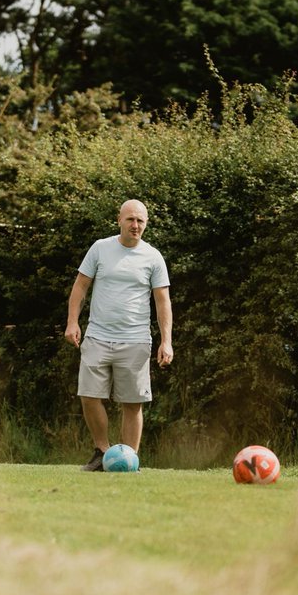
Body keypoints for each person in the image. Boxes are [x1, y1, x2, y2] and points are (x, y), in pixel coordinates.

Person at [65, 200, 173, 471]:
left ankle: (129, 460)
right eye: (130, 220)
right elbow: (80, 286)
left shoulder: (153, 257)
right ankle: (102, 451)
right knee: (89, 395)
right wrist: (72, 322)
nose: (135, 225)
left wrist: (166, 340)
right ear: (119, 220)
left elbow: (163, 302)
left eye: (141, 221)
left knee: (133, 402)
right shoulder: (100, 248)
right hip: (98, 336)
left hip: (136, 340)